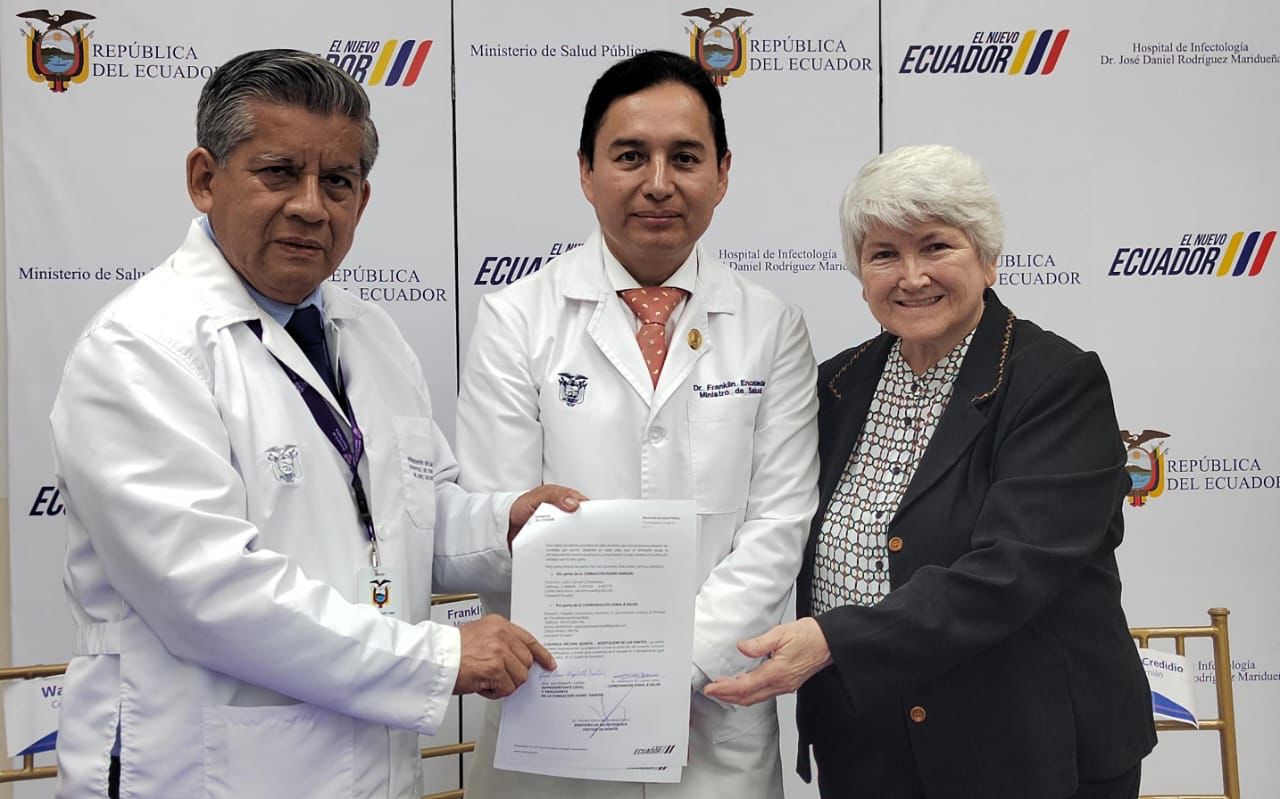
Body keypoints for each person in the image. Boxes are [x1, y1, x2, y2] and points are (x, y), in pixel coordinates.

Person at [49, 49, 582, 799]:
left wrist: (506, 526)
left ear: (362, 199)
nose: (311, 206)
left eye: (337, 181)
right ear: (204, 179)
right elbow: (210, 594)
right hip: (201, 771)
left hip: (367, 766)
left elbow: (406, 518)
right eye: (278, 172)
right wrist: (436, 658)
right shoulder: (140, 349)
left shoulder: (373, 336)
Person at [705, 144, 1157, 799]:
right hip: (866, 742)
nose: (911, 276)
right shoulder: (835, 383)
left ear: (987, 257)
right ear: (860, 273)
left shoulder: (1056, 382)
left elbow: (1008, 572)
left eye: (936, 246)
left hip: (1024, 748)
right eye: (884, 254)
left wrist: (834, 639)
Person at [456, 50, 819, 798]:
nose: (658, 183)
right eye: (629, 156)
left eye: (684, 157)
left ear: (722, 173)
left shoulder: (771, 326)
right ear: (586, 172)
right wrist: (608, 675)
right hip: (555, 708)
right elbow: (502, 517)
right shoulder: (515, 319)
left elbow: (778, 525)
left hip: (713, 713)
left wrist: (671, 668)